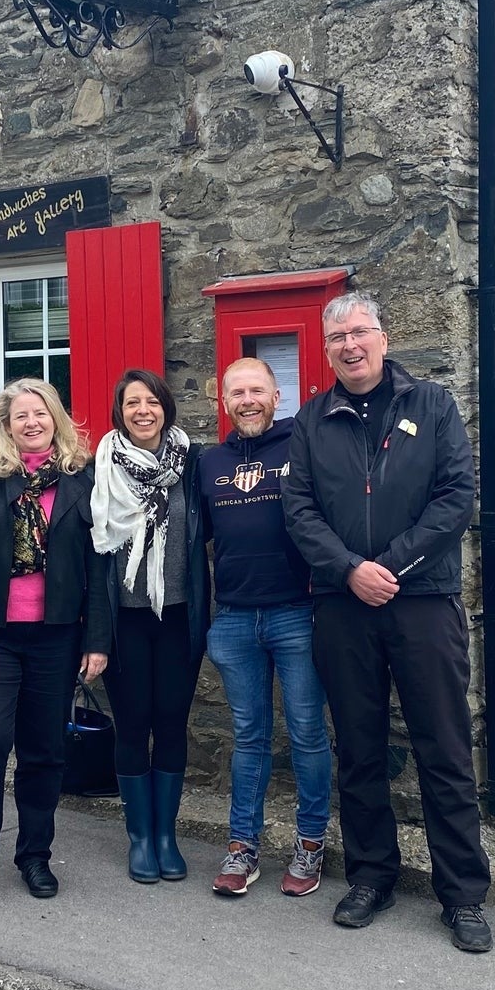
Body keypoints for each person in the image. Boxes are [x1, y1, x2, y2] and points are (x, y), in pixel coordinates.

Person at [282, 292, 494, 953]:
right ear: (326, 351)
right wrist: (350, 570)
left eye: (360, 332)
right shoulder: (312, 421)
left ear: (383, 335)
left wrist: (389, 567)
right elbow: (299, 510)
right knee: (360, 750)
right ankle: (372, 875)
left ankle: (461, 895)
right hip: (344, 608)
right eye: (337, 337)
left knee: (445, 750)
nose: (350, 344)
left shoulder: (431, 405)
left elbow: (456, 496)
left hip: (422, 600)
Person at [0, 379, 110, 908]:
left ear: (56, 418)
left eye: (40, 413)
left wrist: (96, 640)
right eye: (20, 417)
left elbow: (102, 567)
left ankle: (35, 856)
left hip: (57, 639)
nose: (31, 423)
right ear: (6, 427)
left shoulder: (85, 482)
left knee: (44, 751)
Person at [199, 357, 332, 898]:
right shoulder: (207, 462)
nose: (247, 400)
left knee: (306, 733)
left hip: (296, 612)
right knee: (249, 736)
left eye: (257, 390)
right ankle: (243, 845)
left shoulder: (302, 445)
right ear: (223, 401)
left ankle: (309, 842)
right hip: (233, 617)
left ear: (277, 396)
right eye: (237, 392)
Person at [91, 369, 208, 883]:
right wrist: (94, 637)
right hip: (127, 621)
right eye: (133, 402)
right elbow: (94, 560)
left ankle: (166, 835)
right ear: (120, 411)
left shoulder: (193, 464)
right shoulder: (100, 469)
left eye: (152, 401)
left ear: (166, 408)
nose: (144, 410)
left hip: (179, 617)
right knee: (133, 723)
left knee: (172, 722)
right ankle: (140, 838)